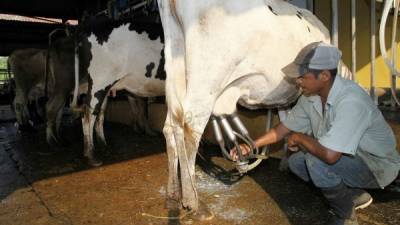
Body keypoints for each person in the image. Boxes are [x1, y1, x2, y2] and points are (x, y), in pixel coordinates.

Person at [230, 42, 400, 225]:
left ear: (324, 76)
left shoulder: (351, 101)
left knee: (316, 161)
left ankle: (345, 216)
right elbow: (282, 129)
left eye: (303, 76)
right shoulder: (311, 96)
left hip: (376, 166)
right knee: (296, 162)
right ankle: (354, 196)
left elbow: (330, 156)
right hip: (348, 158)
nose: (298, 81)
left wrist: (300, 138)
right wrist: (251, 145)